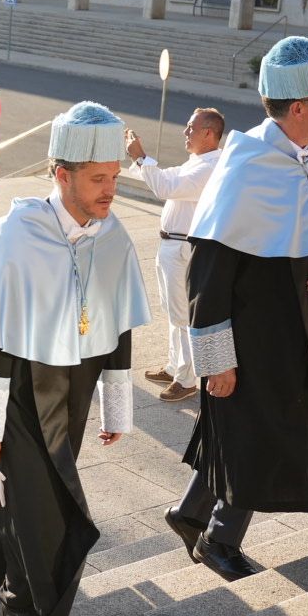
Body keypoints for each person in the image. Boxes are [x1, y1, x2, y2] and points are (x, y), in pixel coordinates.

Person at [0, 102, 150, 616]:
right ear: (62, 176)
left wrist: (117, 405)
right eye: (98, 179)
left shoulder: (111, 235)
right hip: (15, 393)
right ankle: (20, 603)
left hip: (72, 392)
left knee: (19, 498)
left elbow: (120, 322)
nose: (111, 190)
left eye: (114, 178)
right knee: (42, 505)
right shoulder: (17, 234)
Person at [168, 37, 308, 583]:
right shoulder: (246, 165)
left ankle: (189, 514)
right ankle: (219, 541)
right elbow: (206, 276)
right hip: (247, 336)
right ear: (298, 108)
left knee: (241, 427)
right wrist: (215, 361)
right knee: (258, 432)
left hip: (291, 325)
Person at [123, 108, 226, 402]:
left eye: (191, 127)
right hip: (173, 245)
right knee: (173, 312)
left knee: (182, 315)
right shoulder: (199, 161)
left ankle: (187, 378)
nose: (185, 132)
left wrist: (141, 157)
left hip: (183, 247)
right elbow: (166, 178)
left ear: (209, 133)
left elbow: (165, 186)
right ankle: (174, 366)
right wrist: (143, 163)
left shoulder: (209, 167)